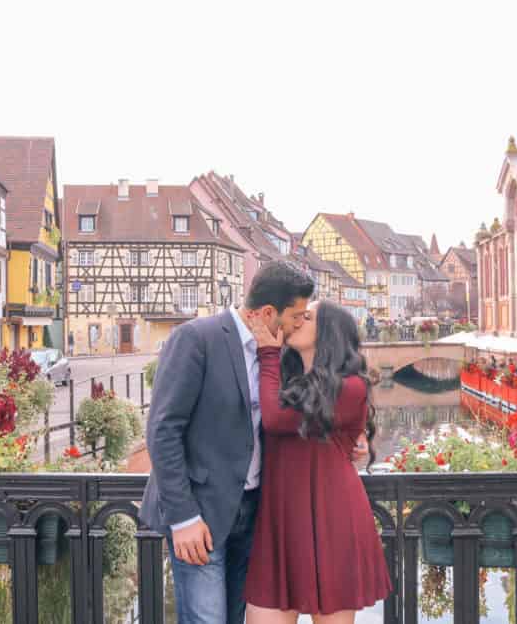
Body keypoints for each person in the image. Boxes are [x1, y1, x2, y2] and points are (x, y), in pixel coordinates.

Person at [140, 262, 368, 624]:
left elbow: (320, 405)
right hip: (202, 513)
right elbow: (162, 429)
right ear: (266, 313)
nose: (299, 323)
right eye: (296, 315)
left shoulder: (286, 357)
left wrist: (356, 440)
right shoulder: (198, 338)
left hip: (257, 514)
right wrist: (182, 517)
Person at [245, 300, 392, 622]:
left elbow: (275, 419)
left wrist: (268, 353)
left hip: (330, 516)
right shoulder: (286, 379)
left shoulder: (351, 387)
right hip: (279, 519)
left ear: (328, 333)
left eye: (306, 317)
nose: (296, 321)